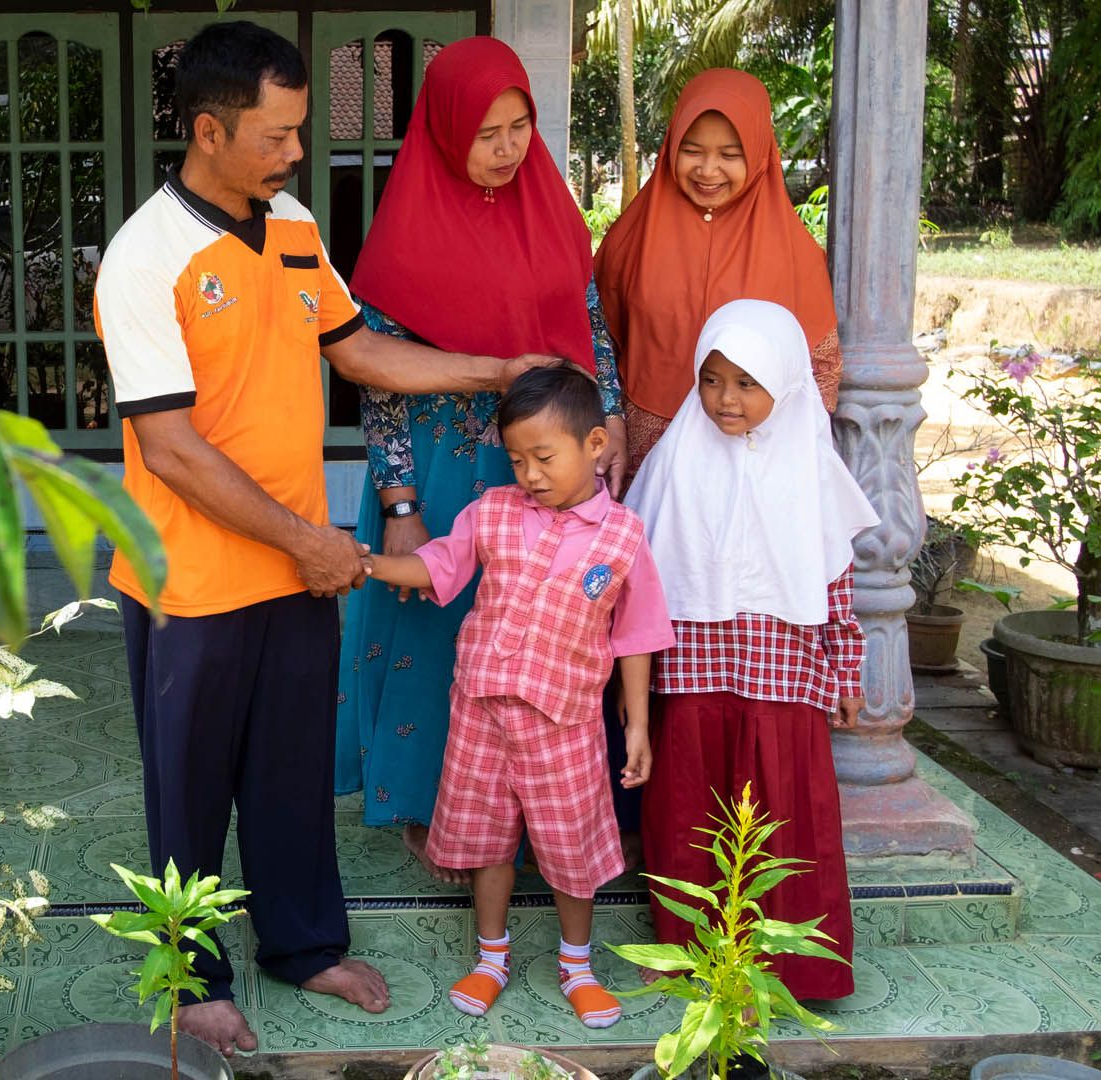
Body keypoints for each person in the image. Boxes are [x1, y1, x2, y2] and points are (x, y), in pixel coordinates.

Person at [92, 21, 553, 1055]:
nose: (299, 152)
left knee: (290, 771)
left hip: (295, 568)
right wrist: (307, 538)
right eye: (279, 133)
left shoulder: (292, 224)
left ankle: (302, 945)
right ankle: (190, 978)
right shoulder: (144, 257)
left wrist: (492, 370)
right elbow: (169, 447)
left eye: (299, 131)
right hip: (193, 576)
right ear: (209, 131)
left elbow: (360, 354)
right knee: (189, 786)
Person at [332, 36, 629, 885]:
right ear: (444, 128)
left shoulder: (550, 213)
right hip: (439, 469)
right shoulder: (402, 234)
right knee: (440, 633)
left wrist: (605, 438)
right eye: (487, 131)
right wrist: (398, 502)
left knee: (537, 639)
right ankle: (432, 811)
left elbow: (590, 334)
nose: (507, 148)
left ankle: (537, 810)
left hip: (540, 465)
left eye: (520, 127)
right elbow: (375, 382)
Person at [360, 365, 674, 1026]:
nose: (528, 474)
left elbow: (638, 636)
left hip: (565, 724)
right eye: (517, 458)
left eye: (544, 457)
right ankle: (492, 958)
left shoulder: (622, 537)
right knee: (487, 845)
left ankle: (577, 965)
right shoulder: (495, 513)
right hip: (480, 715)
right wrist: (366, 563)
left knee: (571, 851)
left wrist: (639, 726)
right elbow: (438, 566)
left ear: (595, 446)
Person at [625, 299, 877, 1001]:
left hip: (783, 674)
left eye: (746, 382)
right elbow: (638, 575)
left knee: (783, 815)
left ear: (788, 383)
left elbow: (834, 581)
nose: (725, 399)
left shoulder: (811, 466)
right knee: (686, 813)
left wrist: (846, 671)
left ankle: (794, 965)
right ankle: (684, 954)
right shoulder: (677, 457)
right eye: (711, 379)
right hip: (695, 673)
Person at [594, 67, 841, 479]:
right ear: (671, 146)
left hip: (758, 461)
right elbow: (595, 341)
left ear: (760, 153)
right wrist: (611, 423)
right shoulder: (630, 240)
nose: (708, 170)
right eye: (692, 150)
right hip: (649, 456)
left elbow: (821, 367)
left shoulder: (795, 253)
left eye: (729, 155)